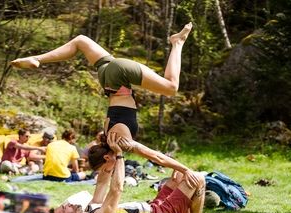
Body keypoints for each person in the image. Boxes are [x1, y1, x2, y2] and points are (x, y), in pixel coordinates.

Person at [11, 23, 196, 185]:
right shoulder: (106, 137)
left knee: (171, 87)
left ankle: (177, 42)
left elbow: (156, 156)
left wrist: (185, 169)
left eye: (105, 167)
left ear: (107, 157)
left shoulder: (120, 141)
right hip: (107, 77)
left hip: (119, 76)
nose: (108, 169)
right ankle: (38, 59)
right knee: (81, 41)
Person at [49, 132, 218, 213]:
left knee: (181, 173)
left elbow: (102, 181)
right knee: (198, 179)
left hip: (154, 207)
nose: (69, 203)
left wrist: (109, 151)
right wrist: (120, 155)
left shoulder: (91, 210)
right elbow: (116, 190)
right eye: (65, 208)